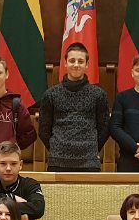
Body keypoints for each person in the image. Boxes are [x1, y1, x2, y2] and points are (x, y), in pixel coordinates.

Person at [37, 42, 109, 171]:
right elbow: (43, 130)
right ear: (65, 63)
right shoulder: (50, 94)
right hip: (58, 162)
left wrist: (91, 149)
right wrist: (57, 148)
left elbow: (104, 128)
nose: (76, 65)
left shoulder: (98, 94)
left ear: (87, 64)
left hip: (89, 162)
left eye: (80, 61)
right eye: (72, 61)